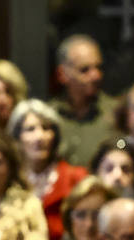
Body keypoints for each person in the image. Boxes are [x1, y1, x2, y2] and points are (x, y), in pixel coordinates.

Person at [10, 99, 88, 240]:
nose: (39, 136)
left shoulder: (76, 178)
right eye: (30, 129)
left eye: (46, 128)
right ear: (17, 138)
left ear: (55, 136)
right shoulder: (8, 182)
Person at [49, 36, 117, 168]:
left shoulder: (115, 113)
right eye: (85, 69)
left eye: (98, 68)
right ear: (62, 74)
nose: (96, 75)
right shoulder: (48, 117)